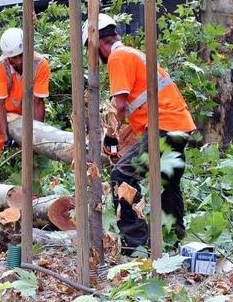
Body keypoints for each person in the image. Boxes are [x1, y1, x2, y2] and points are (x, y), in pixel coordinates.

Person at [84, 14, 196, 251]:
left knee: (121, 175)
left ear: (98, 45)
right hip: (177, 123)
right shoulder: (134, 54)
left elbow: (120, 106)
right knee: (168, 182)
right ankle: (173, 238)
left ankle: (134, 244)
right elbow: (141, 104)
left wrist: (110, 135)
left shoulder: (117, 57)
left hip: (163, 127)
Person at [0, 27, 51, 179]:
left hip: (26, 110)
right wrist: (7, 136)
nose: (19, 61)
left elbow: (38, 102)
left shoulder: (40, 65)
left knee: (34, 157)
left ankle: (33, 192)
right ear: (8, 57)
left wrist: (37, 132)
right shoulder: (1, 66)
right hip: (3, 110)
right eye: (14, 58)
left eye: (21, 56)